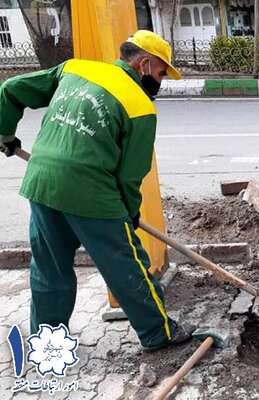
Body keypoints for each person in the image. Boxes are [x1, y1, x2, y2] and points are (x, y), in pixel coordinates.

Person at [0, 30, 194, 350]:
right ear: (144, 64)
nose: (160, 83)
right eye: (161, 74)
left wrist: (5, 134)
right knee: (124, 263)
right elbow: (131, 176)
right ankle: (159, 332)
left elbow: (10, 90)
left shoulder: (75, 68)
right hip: (90, 191)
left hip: (42, 183)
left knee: (49, 268)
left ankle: (46, 340)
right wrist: (128, 214)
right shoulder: (140, 107)